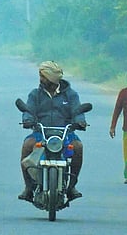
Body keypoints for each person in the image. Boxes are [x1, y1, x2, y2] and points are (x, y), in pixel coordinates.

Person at [18, 61, 87, 202]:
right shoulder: (35, 94)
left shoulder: (71, 95)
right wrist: (27, 119)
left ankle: (71, 186)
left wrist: (80, 121)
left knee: (78, 147)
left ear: (52, 78)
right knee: (26, 146)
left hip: (65, 134)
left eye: (43, 76)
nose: (41, 79)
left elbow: (77, 110)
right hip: (40, 133)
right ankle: (28, 187)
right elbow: (29, 110)